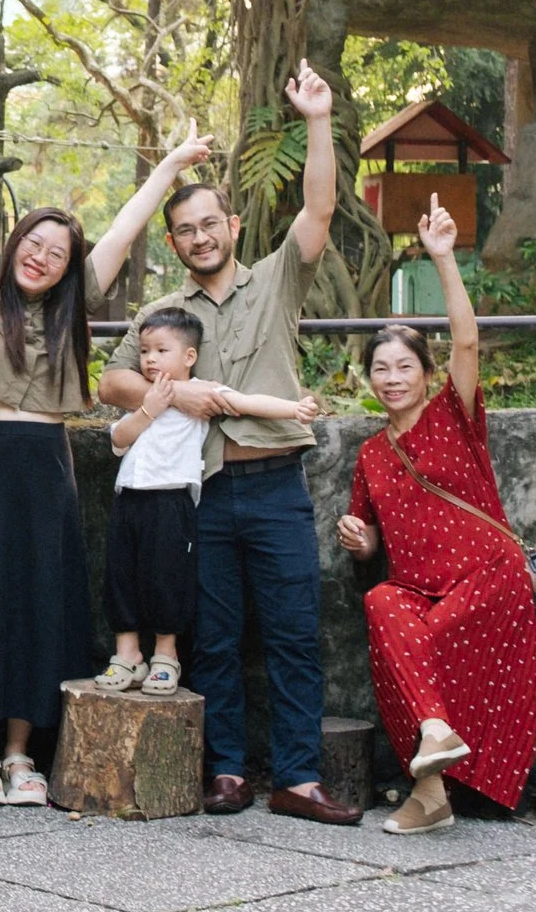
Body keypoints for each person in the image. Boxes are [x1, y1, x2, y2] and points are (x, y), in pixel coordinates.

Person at [0, 68, 213, 806]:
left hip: (45, 466)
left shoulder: (70, 316)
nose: (42, 256)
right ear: (15, 242)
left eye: (57, 250)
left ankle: (23, 751)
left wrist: (171, 167)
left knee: (38, 605)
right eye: (34, 242)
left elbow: (120, 230)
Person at [98, 60, 362, 825]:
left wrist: (317, 119)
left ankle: (300, 776)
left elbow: (318, 208)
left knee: (291, 633)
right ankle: (225, 772)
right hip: (201, 491)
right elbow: (114, 383)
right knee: (211, 636)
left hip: (277, 483)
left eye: (210, 223)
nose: (199, 236)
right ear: (174, 243)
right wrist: (175, 388)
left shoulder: (276, 279)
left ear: (233, 227)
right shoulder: (163, 314)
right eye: (184, 230)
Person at [337, 194, 536, 836]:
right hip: (422, 588)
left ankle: (428, 792)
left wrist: (443, 257)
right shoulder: (370, 454)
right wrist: (360, 538)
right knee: (382, 607)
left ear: (428, 375)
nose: (392, 378)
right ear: (367, 380)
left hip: (487, 577)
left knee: (413, 648)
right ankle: (432, 766)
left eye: (405, 367)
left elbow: (466, 337)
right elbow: (369, 548)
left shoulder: (452, 416)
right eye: (381, 369)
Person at [100, 311, 316, 697]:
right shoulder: (143, 395)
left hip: (172, 500)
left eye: (161, 350)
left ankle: (165, 657)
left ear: (188, 356)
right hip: (129, 496)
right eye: (145, 350)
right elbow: (119, 440)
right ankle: (127, 654)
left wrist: (293, 409)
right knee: (121, 575)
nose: (149, 359)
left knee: (168, 578)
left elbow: (247, 403)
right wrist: (150, 407)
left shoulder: (201, 393)